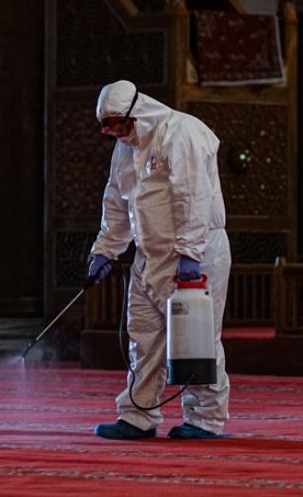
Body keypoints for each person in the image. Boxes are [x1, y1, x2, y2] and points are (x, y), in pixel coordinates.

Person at [86, 80, 232, 441]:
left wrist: (189, 252)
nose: (114, 131)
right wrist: (106, 248)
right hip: (149, 255)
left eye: (119, 122)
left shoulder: (181, 132)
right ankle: (138, 415)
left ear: (138, 111)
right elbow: (117, 201)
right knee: (144, 336)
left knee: (198, 339)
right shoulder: (126, 147)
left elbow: (193, 195)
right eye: (106, 126)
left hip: (193, 255)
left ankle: (205, 420)